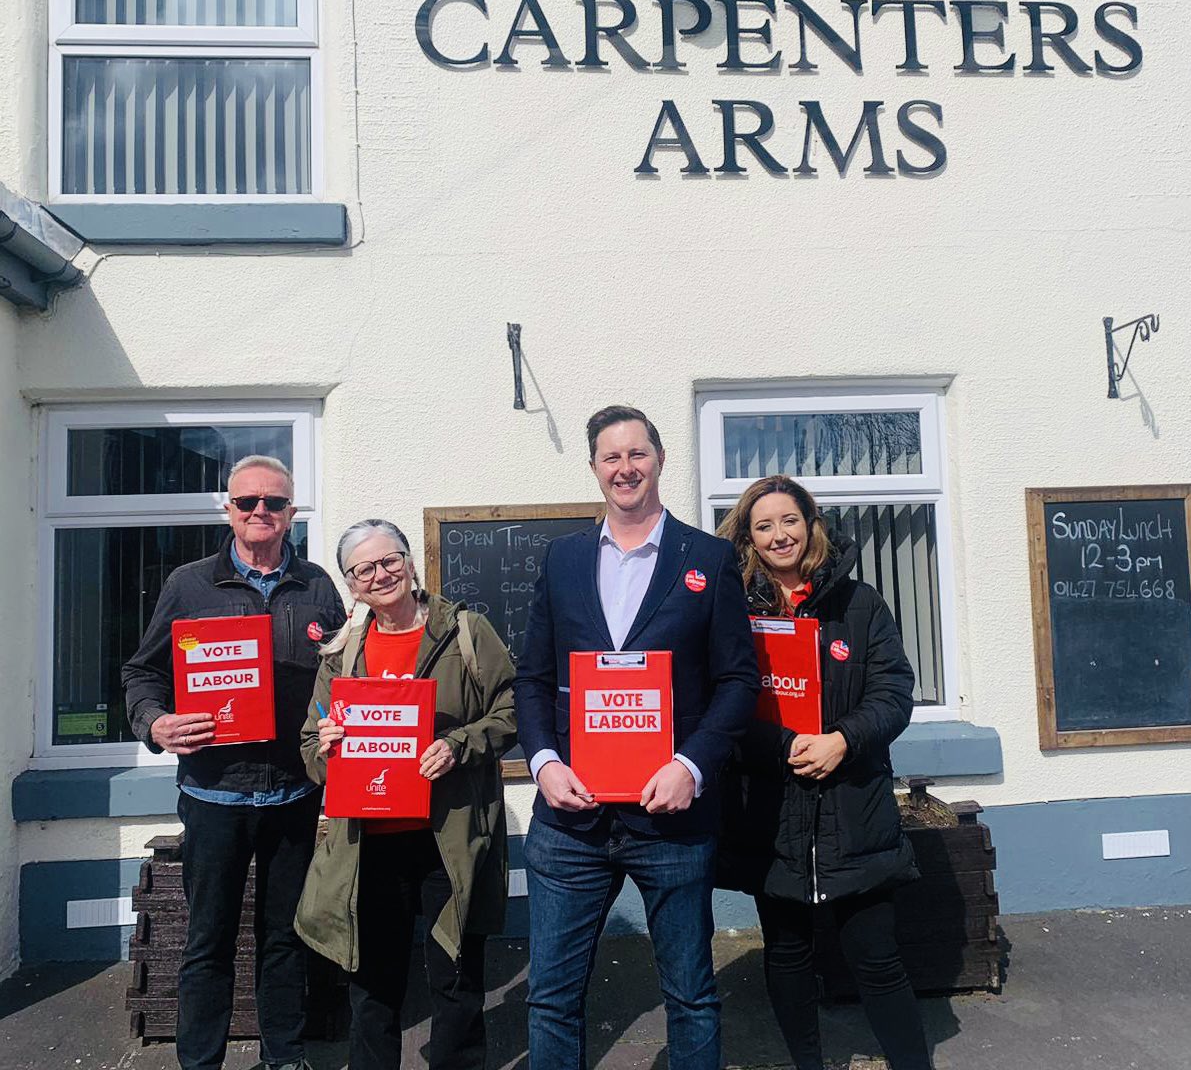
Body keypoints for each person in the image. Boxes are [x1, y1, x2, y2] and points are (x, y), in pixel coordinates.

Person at [514, 404, 759, 1070]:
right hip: (571, 822)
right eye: (610, 457)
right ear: (594, 468)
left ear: (658, 459)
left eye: (636, 454)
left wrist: (691, 764)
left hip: (672, 822)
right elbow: (531, 678)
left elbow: (738, 681)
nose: (625, 468)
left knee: (689, 996)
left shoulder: (706, 558)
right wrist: (540, 763)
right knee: (552, 1001)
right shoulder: (562, 559)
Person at [122, 455, 347, 1070]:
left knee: (283, 941)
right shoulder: (189, 584)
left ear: (291, 513)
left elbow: (343, 678)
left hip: (294, 796)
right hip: (214, 796)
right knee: (208, 942)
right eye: (247, 502)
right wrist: (156, 723)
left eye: (273, 503)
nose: (259, 513)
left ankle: (284, 1059)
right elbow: (142, 671)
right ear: (228, 509)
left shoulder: (319, 586)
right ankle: (201, 1063)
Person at [715, 474, 932, 1070]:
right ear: (749, 538)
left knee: (877, 958)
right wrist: (781, 744)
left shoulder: (859, 603)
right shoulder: (735, 609)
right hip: (773, 812)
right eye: (763, 526)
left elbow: (894, 692)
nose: (778, 534)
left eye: (789, 520)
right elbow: (723, 700)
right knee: (786, 954)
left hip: (853, 807)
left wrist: (843, 739)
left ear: (811, 525)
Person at [294, 519, 516, 1070]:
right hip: (369, 846)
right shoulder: (344, 651)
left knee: (456, 981)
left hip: (448, 839)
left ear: (410, 562)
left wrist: (458, 745)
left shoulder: (465, 630)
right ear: (351, 584)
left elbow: (513, 710)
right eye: (363, 568)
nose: (380, 574)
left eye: (389, 560)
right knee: (372, 989)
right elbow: (308, 748)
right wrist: (325, 748)